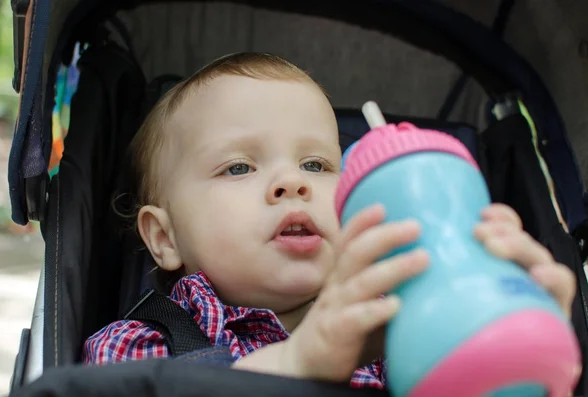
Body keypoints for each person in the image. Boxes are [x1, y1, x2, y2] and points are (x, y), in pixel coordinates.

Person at [83, 52, 576, 389]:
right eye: (238, 167)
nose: (291, 183)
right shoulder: (140, 347)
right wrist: (296, 364)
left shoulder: (403, 323)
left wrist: (520, 341)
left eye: (316, 166)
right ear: (165, 238)